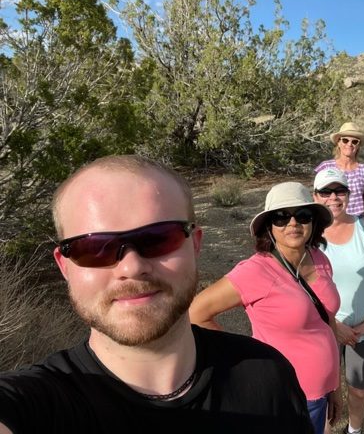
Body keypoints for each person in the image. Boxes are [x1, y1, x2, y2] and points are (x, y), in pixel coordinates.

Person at [0, 155, 313, 434]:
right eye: (94, 248)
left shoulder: (269, 375)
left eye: (158, 238)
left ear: (195, 244)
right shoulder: (36, 405)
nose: (132, 267)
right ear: (65, 266)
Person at [189, 182, 341, 434]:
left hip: (322, 390)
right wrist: (241, 356)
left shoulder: (319, 258)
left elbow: (328, 322)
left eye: (302, 215)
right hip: (285, 394)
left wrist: (335, 386)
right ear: (269, 227)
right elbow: (196, 312)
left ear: (313, 222)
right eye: (281, 217)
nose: (293, 223)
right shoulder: (256, 271)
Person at [312, 168, 364, 434]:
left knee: (358, 391)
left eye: (340, 191)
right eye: (326, 192)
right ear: (315, 196)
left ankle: (354, 431)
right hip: (324, 330)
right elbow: (304, 290)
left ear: (349, 194)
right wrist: (334, 325)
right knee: (322, 391)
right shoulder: (309, 237)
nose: (333, 198)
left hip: (361, 330)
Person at [315, 122, 364, 218]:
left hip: (357, 222)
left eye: (354, 141)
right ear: (338, 143)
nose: (349, 144)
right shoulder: (325, 167)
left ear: (358, 145)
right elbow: (317, 199)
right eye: (345, 140)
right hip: (330, 221)